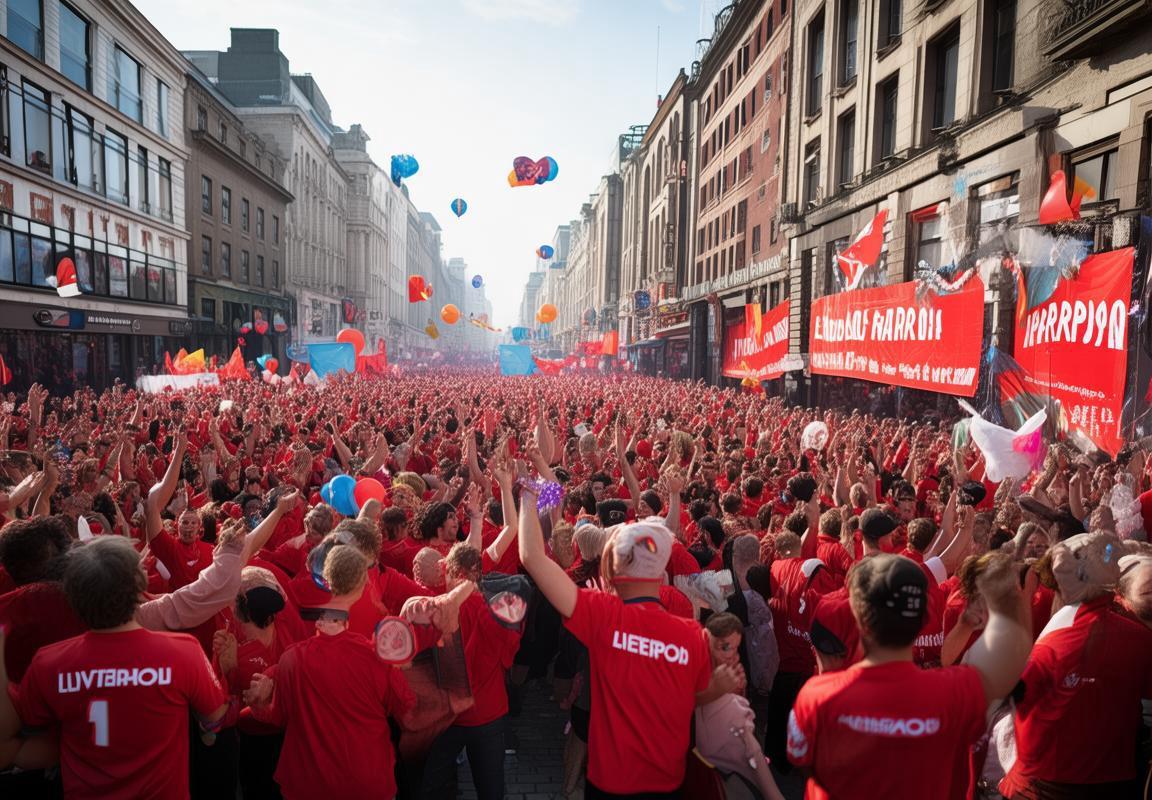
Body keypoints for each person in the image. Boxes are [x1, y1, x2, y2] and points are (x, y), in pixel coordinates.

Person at [518, 479, 738, 798]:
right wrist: (719, 686)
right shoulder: (692, 634)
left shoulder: (602, 614)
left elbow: (532, 557)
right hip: (667, 782)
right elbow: (695, 697)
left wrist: (529, 493)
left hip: (610, 782)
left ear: (613, 565)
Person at [787, 553, 1035, 800]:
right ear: (924, 621)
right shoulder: (958, 691)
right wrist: (1019, 596)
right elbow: (1012, 661)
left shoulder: (817, 696)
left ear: (859, 618)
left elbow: (802, 761)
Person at [1, 537, 228, 798]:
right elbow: (215, 717)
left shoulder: (48, 663)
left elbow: (11, 743)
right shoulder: (183, 651)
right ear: (140, 585)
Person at [244, 537, 416, 799]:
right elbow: (405, 710)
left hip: (308, 785)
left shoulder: (293, 659)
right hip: (367, 781)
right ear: (361, 585)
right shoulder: (377, 657)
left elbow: (277, 718)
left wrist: (258, 704)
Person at [420, 544, 523, 800]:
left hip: (448, 714)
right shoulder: (496, 614)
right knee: (491, 789)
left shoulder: (436, 609)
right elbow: (509, 659)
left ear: (456, 572)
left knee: (433, 783)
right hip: (488, 714)